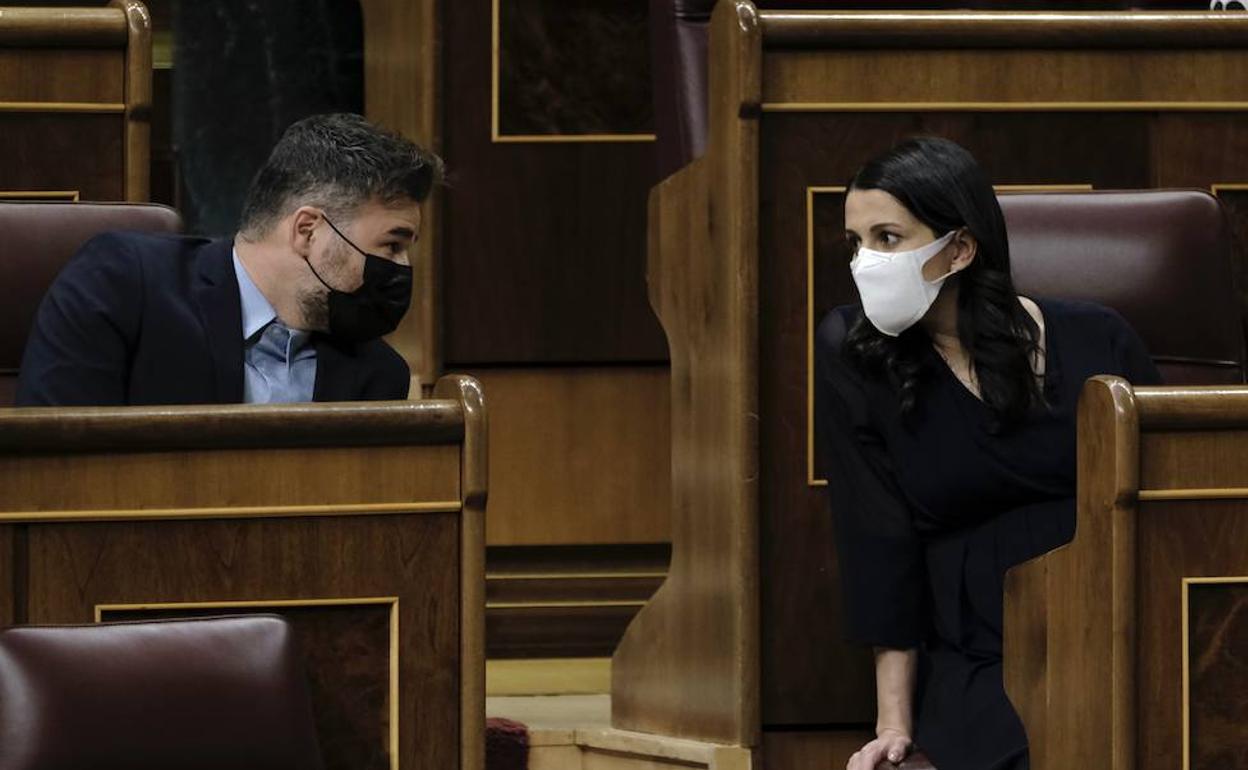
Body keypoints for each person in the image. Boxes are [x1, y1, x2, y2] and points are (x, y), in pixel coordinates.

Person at [815, 137, 1161, 770]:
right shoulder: (854, 351)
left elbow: (1174, 500)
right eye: (856, 242)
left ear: (961, 249)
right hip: (983, 646)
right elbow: (876, 535)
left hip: (1122, 626)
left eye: (888, 238)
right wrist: (893, 721)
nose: (866, 262)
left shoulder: (1098, 337)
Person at [16, 112, 442, 406]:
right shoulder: (122, 287)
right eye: (392, 245)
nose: (402, 268)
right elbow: (56, 475)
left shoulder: (378, 373)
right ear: (308, 231)